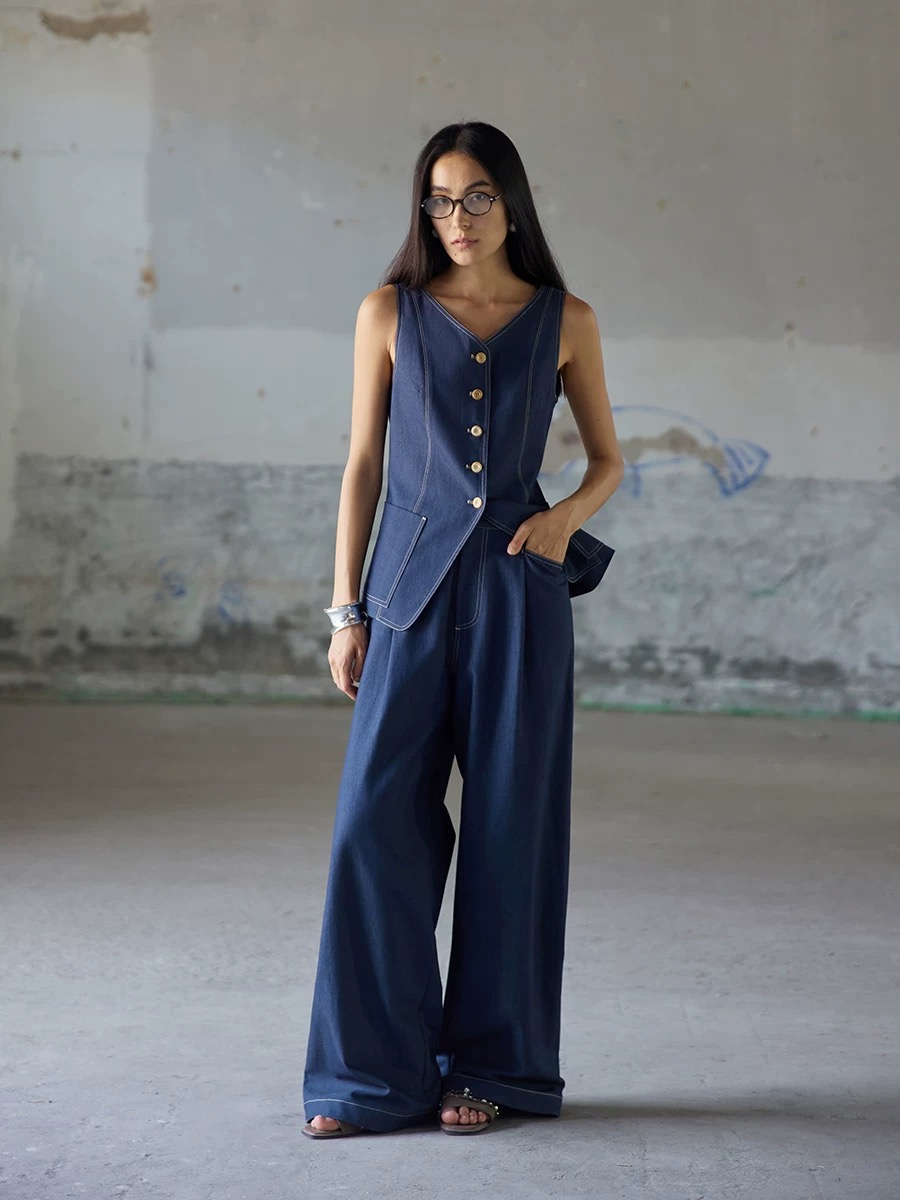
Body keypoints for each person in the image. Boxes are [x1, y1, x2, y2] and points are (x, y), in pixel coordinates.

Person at [301, 120, 624, 1140]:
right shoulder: (387, 311)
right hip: (405, 597)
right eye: (439, 199)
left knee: (512, 831)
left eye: (477, 196)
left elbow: (609, 461)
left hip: (520, 597)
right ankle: (367, 1077)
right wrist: (346, 610)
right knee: (374, 826)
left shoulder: (567, 320)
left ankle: (493, 1068)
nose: (458, 217)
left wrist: (563, 520)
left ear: (511, 203)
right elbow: (362, 465)